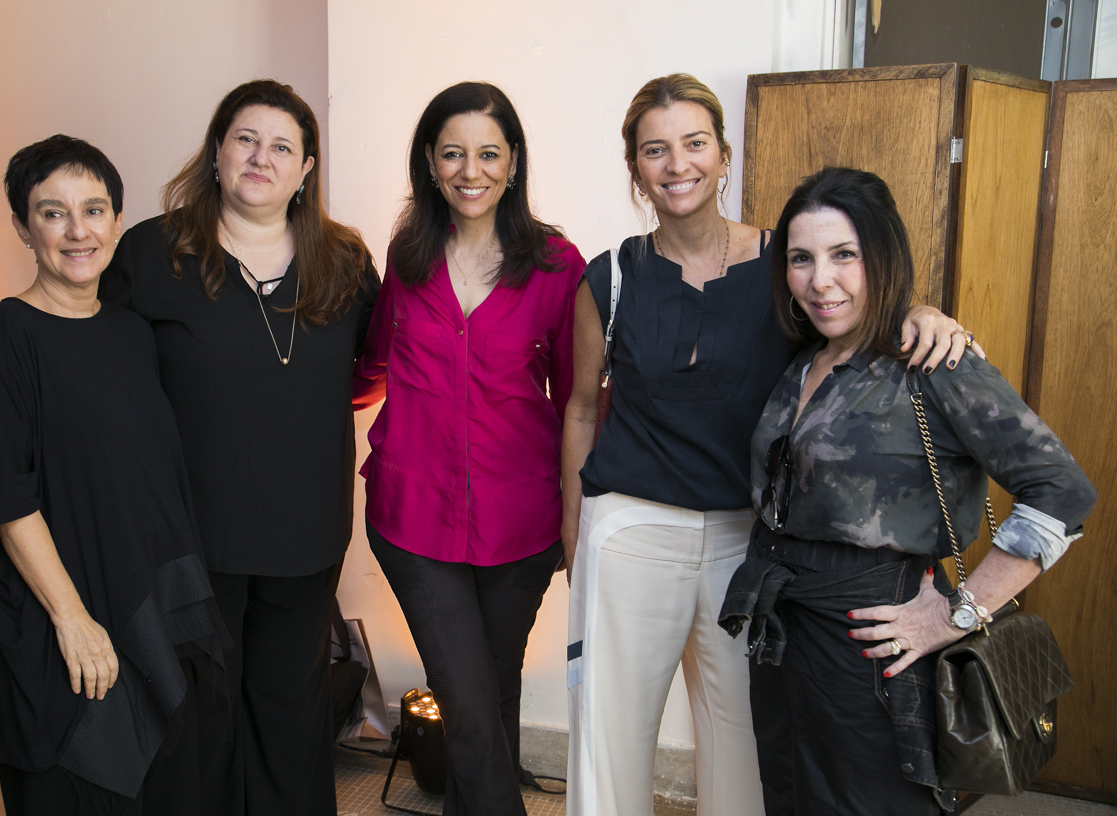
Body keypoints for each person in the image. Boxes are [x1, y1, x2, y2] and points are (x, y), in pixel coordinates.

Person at [560, 75, 972, 816]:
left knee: (748, 739)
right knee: (608, 734)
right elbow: (583, 410)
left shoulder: (789, 263)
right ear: (635, 169)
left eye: (693, 144)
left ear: (723, 156)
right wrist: (575, 534)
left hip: (750, 547)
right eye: (655, 150)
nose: (676, 163)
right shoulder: (611, 276)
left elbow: (855, 308)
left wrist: (920, 310)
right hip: (630, 529)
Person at [718, 166, 1097, 815]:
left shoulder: (933, 362)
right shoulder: (805, 357)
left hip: (872, 646)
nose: (820, 280)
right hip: (783, 634)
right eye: (801, 259)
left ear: (883, 256)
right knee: (788, 800)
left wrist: (961, 611)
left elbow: (1063, 491)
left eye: (845, 255)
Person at [99, 80, 378, 816]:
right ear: (217, 152)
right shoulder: (151, 253)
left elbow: (369, 369)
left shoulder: (346, 261)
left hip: (308, 533)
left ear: (307, 168)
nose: (262, 157)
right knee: (198, 719)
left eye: (282, 145)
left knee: (291, 711)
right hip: (191, 536)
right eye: (245, 139)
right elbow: (111, 387)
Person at [0, 135, 227, 816]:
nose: (78, 231)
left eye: (94, 210)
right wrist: (73, 619)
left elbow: (150, 477)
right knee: (79, 782)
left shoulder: (132, 332)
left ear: (116, 221)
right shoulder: (3, 333)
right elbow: (7, 496)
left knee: (164, 783)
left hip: (141, 598)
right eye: (52, 213)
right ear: (22, 226)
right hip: (60, 613)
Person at [353, 81, 585, 816]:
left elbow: (581, 400)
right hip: (412, 518)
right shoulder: (408, 254)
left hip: (521, 525)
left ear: (513, 162)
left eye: (488, 153)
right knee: (472, 707)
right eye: (453, 153)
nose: (470, 170)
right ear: (430, 161)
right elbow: (373, 363)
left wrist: (581, 526)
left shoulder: (556, 264)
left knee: (492, 695)